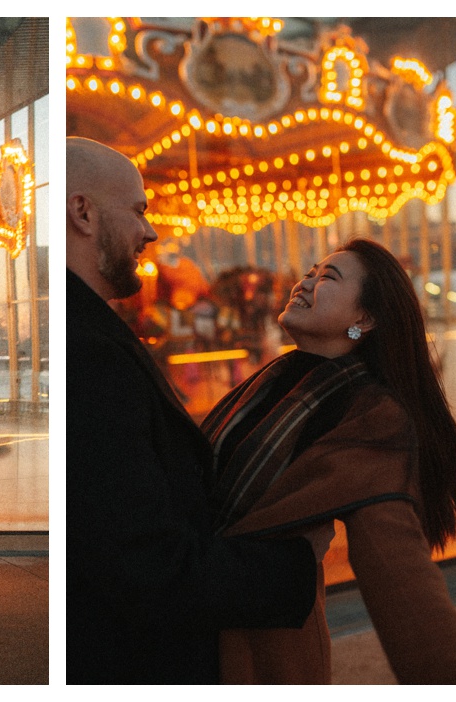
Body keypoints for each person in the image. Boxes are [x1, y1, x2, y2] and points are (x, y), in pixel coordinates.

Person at [65, 136, 326, 683]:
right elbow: (148, 567)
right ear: (83, 213)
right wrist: (298, 563)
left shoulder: (90, 332)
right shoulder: (89, 351)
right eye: (138, 211)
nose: (152, 232)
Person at [203, 238, 456, 683]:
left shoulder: (372, 415)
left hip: (261, 652)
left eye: (328, 277)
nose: (305, 282)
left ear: (365, 318)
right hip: (209, 622)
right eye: (311, 271)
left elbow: (400, 575)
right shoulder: (280, 377)